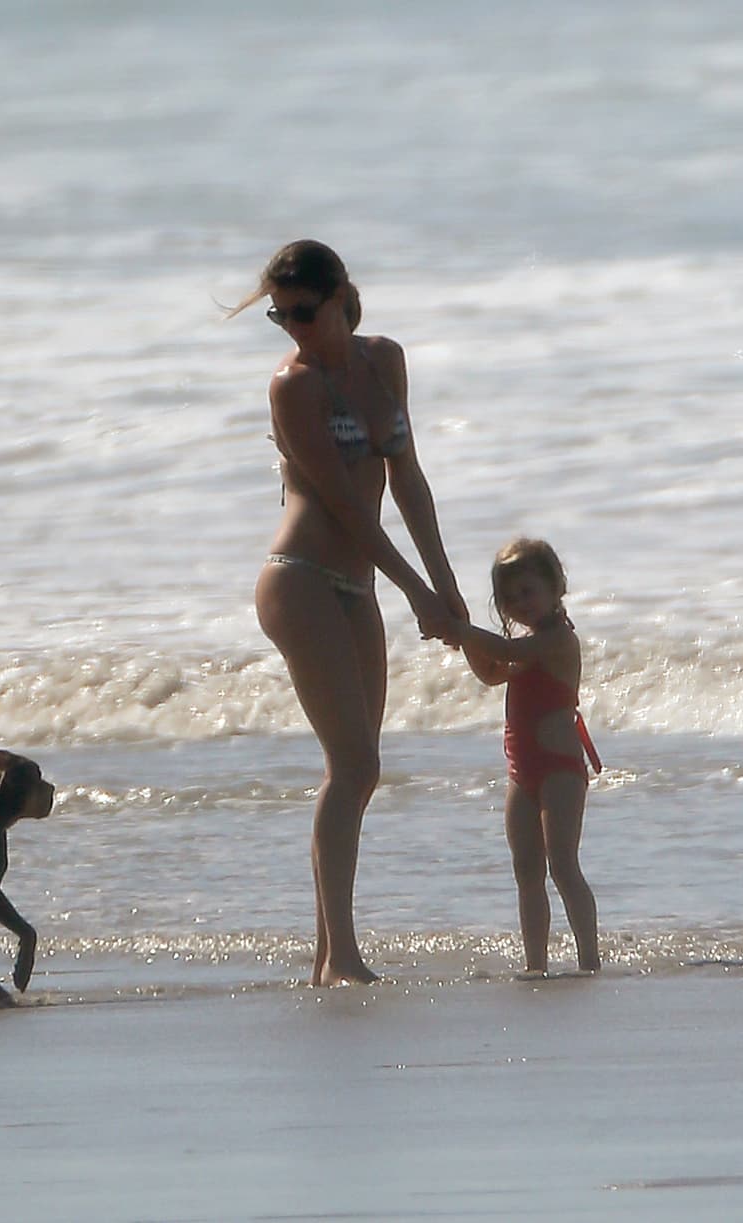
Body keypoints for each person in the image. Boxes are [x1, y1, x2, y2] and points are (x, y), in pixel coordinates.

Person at [231, 239, 467, 986]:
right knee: (354, 763)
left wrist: (447, 586)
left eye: (304, 311)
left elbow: (409, 481)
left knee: (362, 770)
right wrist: (416, 594)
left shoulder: (384, 359)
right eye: (281, 316)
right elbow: (342, 504)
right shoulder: (291, 387)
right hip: (299, 579)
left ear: (338, 297)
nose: (294, 326)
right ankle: (343, 957)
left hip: (358, 584)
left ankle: (327, 955)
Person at [452, 537, 601, 975]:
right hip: (522, 772)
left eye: (529, 592)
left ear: (556, 587)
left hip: (560, 769)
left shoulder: (557, 640)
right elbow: (492, 672)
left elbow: (508, 653)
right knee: (526, 870)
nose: (520, 603)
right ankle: (536, 963)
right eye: (509, 598)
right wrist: (461, 637)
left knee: (563, 866)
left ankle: (589, 960)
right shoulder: (527, 644)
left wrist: (462, 630)